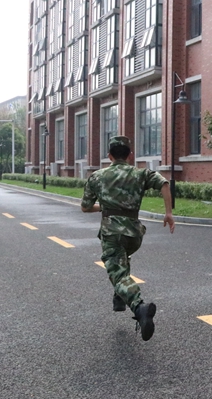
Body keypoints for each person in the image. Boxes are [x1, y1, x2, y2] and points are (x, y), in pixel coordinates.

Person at [81, 135, 175, 341]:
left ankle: (139, 307)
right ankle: (119, 298)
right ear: (130, 155)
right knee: (122, 262)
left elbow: (85, 207)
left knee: (118, 273)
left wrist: (105, 207)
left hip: (112, 233)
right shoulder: (140, 173)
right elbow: (164, 183)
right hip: (134, 234)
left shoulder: (97, 177)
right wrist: (168, 213)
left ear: (109, 155)